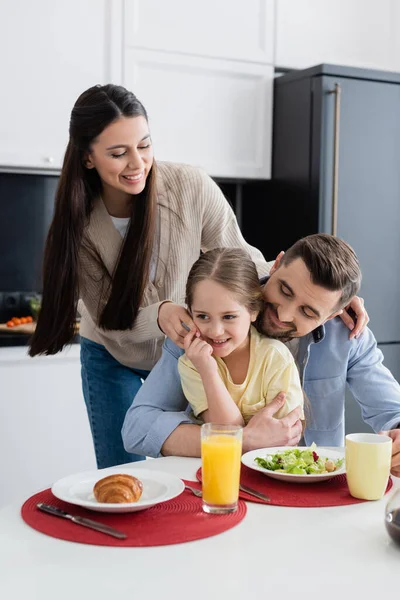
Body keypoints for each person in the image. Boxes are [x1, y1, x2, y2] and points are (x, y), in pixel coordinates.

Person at [27, 83, 274, 469]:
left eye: (144, 145)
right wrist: (160, 314)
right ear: (88, 158)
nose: (137, 163)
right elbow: (110, 321)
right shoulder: (79, 226)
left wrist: (321, 292)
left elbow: (246, 261)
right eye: (118, 153)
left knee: (195, 466)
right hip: (111, 355)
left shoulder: (190, 187)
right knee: (120, 473)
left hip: (182, 358)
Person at [122, 234, 400, 477]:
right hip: (219, 484)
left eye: (308, 312)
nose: (284, 314)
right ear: (275, 265)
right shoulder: (209, 325)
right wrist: (240, 440)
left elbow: (392, 411)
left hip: (314, 494)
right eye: (284, 290)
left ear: (333, 314)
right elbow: (138, 428)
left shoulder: (348, 334)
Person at [178, 248, 304, 426]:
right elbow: (223, 432)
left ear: (254, 311)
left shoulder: (275, 358)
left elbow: (283, 435)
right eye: (202, 316)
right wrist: (208, 371)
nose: (215, 331)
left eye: (229, 317)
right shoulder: (192, 363)